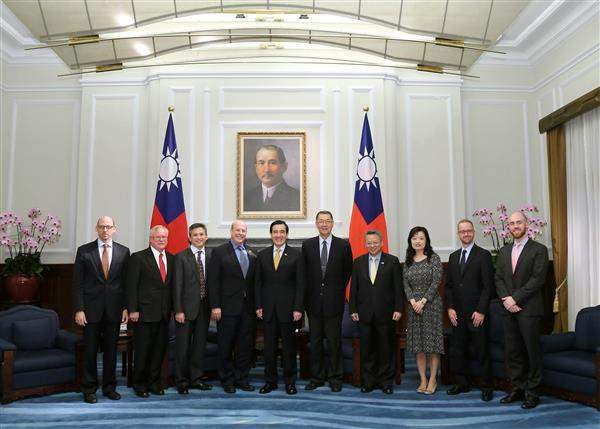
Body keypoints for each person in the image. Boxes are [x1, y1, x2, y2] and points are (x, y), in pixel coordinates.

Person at [72, 216, 130, 404]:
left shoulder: (124, 252)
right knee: (90, 351)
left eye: (108, 227)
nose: (105, 230)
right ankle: (89, 389)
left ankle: (109, 387)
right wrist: (79, 309)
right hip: (90, 311)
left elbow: (126, 284)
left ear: (114, 229)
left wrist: (126, 307)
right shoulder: (84, 251)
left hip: (114, 310)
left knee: (111, 351)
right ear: (96, 228)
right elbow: (78, 283)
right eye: (102, 227)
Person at [496, 211, 549, 409]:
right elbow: (498, 278)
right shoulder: (503, 251)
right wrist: (507, 300)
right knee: (513, 352)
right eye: (512, 223)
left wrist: (515, 298)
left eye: (519, 222)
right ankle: (517, 388)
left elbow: (537, 280)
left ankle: (533, 393)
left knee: (532, 352)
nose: (515, 226)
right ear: (508, 227)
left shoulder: (539, 250)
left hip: (529, 309)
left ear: (526, 224)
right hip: (508, 310)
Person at [302, 210, 353, 392]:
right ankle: (317, 378)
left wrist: (334, 290)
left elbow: (347, 272)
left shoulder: (343, 245)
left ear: (332, 224)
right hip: (313, 303)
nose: (324, 224)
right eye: (321, 221)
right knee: (315, 342)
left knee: (334, 342)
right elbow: (304, 274)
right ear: (316, 224)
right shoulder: (307, 245)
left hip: (334, 302)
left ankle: (335, 378)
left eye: (327, 221)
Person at [445, 219, 494, 401]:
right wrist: (450, 308)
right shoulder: (453, 257)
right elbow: (449, 286)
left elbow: (488, 287)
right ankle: (461, 383)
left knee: (482, 351)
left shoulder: (483, 255)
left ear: (473, 232)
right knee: (459, 350)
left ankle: (487, 387)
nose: (466, 234)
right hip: (457, 314)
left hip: (476, 314)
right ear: (458, 234)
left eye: (469, 231)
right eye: (462, 231)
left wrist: (481, 311)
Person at [349, 230, 402, 394]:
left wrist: (398, 308)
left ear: (381, 243)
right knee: (367, 349)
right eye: (369, 243)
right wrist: (353, 309)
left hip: (386, 313)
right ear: (365, 244)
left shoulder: (392, 261)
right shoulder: (358, 262)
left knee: (385, 349)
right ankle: (369, 381)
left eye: (375, 242)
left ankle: (386, 382)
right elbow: (354, 288)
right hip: (364, 313)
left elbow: (398, 288)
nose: (372, 245)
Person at [255, 220, 304, 395]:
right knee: (269, 349)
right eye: (275, 232)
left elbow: (301, 284)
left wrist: (298, 308)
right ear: (271, 234)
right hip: (267, 310)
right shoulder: (262, 255)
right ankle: (270, 382)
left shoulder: (296, 255)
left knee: (289, 349)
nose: (278, 235)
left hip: (289, 310)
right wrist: (258, 305)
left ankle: (290, 382)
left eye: (282, 232)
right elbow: (257, 283)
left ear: (287, 234)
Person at [207, 220, 257, 393]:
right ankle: (227, 379)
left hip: (248, 309)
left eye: (243, 230)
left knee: (245, 346)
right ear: (231, 231)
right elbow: (213, 281)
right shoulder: (219, 251)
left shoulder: (251, 252)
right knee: (226, 345)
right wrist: (215, 306)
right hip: (226, 308)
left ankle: (242, 378)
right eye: (238, 230)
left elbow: (254, 282)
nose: (240, 233)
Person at [127, 225, 174, 398]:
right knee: (143, 352)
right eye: (158, 237)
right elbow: (131, 286)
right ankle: (139, 384)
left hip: (164, 314)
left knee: (158, 352)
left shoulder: (172, 258)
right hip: (144, 314)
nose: (161, 240)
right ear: (151, 239)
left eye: (164, 237)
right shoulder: (138, 257)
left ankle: (154, 383)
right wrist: (133, 309)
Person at [173, 223, 213, 394]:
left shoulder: (211, 255)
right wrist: (178, 310)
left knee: (199, 346)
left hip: (205, 307)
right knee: (182, 347)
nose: (199, 237)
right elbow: (177, 286)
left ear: (206, 236)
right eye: (195, 235)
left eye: (201, 234)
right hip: (185, 310)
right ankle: (181, 381)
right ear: (189, 237)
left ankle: (196, 379)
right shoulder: (181, 257)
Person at [403, 226, 444, 395]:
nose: (417, 241)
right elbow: (405, 283)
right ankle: (423, 379)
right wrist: (413, 301)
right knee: (418, 345)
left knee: (432, 345)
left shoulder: (434, 258)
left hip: (431, 305)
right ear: (410, 241)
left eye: (421, 238)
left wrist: (423, 301)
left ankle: (433, 379)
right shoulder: (408, 260)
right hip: (413, 307)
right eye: (414, 238)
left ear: (426, 240)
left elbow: (436, 282)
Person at [244, 144, 300, 211]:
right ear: (256, 167)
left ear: (284, 167)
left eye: (272, 163)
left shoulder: (297, 198)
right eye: (261, 163)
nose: (266, 170)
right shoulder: (247, 197)